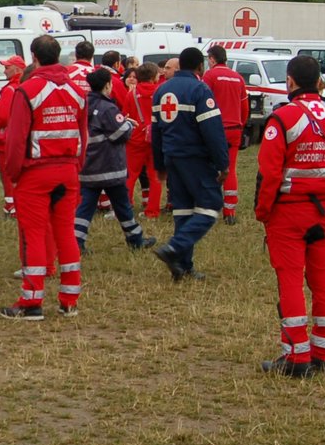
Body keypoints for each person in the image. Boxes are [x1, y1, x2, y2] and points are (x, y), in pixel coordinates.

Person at [254, 56, 325, 377]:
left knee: (290, 281)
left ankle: (296, 356)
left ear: (290, 82)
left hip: (288, 212)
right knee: (322, 280)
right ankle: (323, 353)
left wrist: (263, 212)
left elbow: (269, 174)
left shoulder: (282, 119)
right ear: (320, 82)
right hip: (323, 211)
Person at [0, 35, 87, 320]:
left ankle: (32, 301)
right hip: (68, 171)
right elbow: (84, 137)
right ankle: (69, 299)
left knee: (34, 235)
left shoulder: (28, 89)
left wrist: (13, 174)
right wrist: (77, 167)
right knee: (65, 234)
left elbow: (15, 138)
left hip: (36, 173)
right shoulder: (76, 91)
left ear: (34, 57)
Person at [150, 47, 229, 282]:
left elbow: (156, 133)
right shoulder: (200, 90)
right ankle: (174, 247)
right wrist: (222, 164)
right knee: (211, 205)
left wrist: (159, 164)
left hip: (172, 158)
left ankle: (182, 266)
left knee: (183, 211)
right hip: (195, 158)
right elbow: (212, 131)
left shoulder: (161, 91)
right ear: (200, 67)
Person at [74, 68, 156, 254]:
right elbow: (120, 133)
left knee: (85, 207)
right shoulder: (107, 107)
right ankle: (135, 240)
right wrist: (127, 123)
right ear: (107, 85)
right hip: (109, 167)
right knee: (123, 206)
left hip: (88, 166)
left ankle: (76, 242)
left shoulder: (85, 104)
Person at [203, 45, 249, 224]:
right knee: (230, 169)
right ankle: (230, 211)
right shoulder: (238, 78)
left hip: (215, 129)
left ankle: (208, 207)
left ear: (212, 59)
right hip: (234, 130)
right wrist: (241, 124)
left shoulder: (210, 76)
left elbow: (203, 101)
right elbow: (245, 107)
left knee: (209, 168)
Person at [0, 53, 26, 218]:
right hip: (21, 138)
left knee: (7, 173)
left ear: (17, 69)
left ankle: (11, 206)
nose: (4, 71)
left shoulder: (10, 89)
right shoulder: (25, 85)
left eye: (6, 67)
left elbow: (2, 116)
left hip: (6, 140)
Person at [125, 63, 162, 219]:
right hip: (155, 138)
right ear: (154, 77)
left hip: (136, 138)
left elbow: (125, 114)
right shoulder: (160, 92)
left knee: (130, 175)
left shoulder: (131, 94)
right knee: (155, 176)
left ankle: (125, 207)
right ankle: (152, 210)